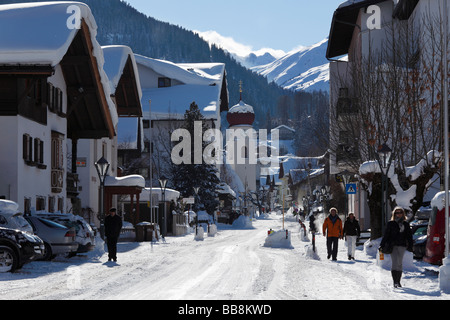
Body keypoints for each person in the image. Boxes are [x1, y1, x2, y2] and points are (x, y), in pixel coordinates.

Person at [379, 206, 413, 288]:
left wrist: (411, 245)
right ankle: (395, 282)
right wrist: (382, 244)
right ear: (394, 214)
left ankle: (398, 281)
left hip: (402, 245)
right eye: (397, 213)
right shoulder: (391, 223)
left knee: (399, 263)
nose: (399, 214)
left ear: (403, 214)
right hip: (392, 245)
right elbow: (386, 235)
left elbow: (409, 236)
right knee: (394, 262)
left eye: (400, 212)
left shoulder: (406, 224)